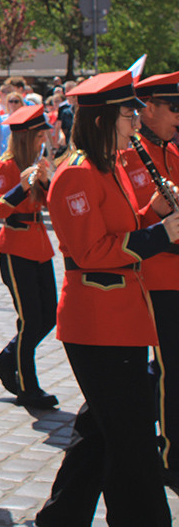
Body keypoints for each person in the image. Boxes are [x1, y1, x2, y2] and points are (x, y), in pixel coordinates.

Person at [35, 71, 179, 526]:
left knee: (100, 431)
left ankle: (62, 517)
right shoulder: (76, 173)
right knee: (132, 437)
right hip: (97, 321)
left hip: (121, 317)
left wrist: (151, 210)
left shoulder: (109, 165)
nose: (135, 121)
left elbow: (120, 228)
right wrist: (158, 235)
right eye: (127, 113)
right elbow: (91, 251)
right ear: (102, 120)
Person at [117, 70, 179, 488]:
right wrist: (157, 210)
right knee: (171, 368)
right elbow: (126, 231)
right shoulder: (126, 158)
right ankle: (171, 453)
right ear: (150, 109)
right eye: (174, 108)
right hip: (155, 278)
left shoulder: (173, 153)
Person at [0, 105, 58, 409]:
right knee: (30, 320)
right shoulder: (6, 165)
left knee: (50, 314)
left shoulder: (34, 162)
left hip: (38, 243)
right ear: (28, 136)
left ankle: (6, 360)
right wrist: (23, 185)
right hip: (16, 247)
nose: (45, 138)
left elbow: (51, 203)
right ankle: (28, 386)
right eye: (40, 133)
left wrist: (46, 180)